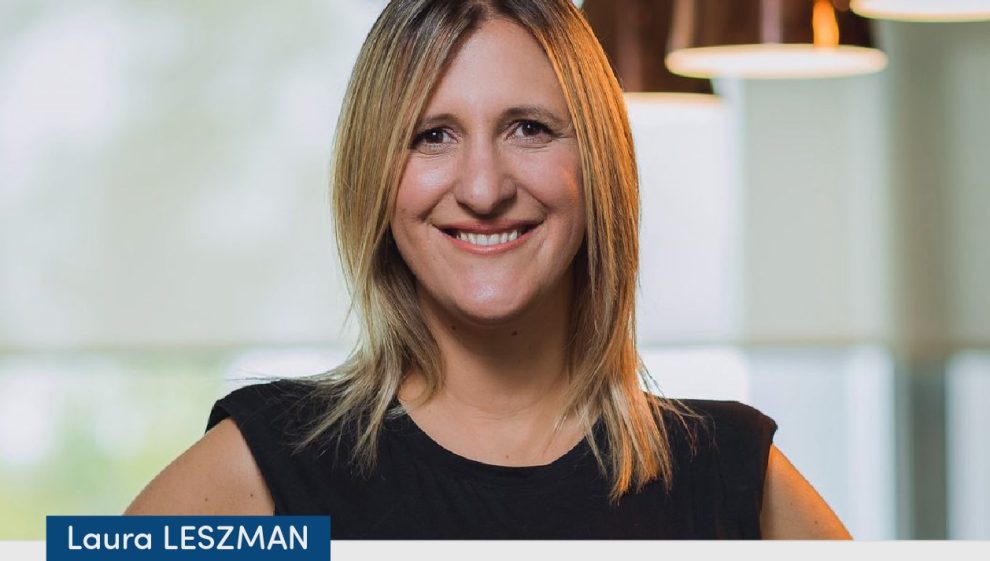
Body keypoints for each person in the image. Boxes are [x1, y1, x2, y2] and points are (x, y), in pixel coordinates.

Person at [126, 0, 851, 540]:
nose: (482, 188)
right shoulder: (273, 467)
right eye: (432, 135)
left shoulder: (728, 472)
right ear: (375, 178)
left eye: (528, 129)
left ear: (597, 166)